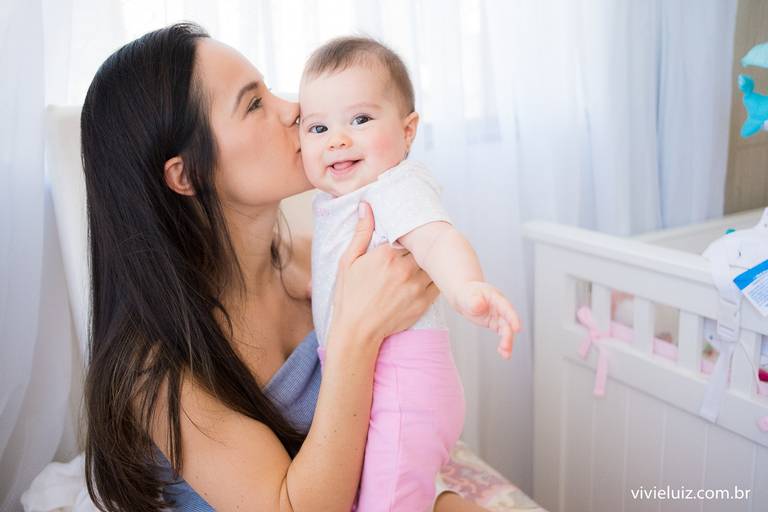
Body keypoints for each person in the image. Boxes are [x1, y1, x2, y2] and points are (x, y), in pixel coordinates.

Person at [80, 22, 490, 512]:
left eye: (271, 90)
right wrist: (355, 334)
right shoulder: (154, 367)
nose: (294, 109)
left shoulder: (318, 262)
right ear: (187, 174)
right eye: (254, 104)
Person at [298, 37, 520, 511]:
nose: (337, 138)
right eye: (317, 127)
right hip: (379, 389)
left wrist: (466, 288)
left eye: (359, 120)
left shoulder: (394, 185)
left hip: (403, 388)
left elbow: (437, 238)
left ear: (408, 130)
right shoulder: (336, 203)